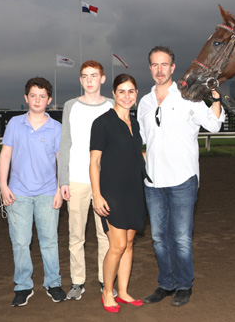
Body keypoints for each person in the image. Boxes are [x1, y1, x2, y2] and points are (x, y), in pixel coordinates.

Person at [138, 46, 225, 307]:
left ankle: (184, 285)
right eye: (155, 65)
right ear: (150, 68)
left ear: (173, 68)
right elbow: (142, 139)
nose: (160, 69)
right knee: (158, 238)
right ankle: (166, 283)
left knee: (181, 238)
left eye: (164, 64)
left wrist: (216, 99)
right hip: (153, 182)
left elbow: (214, 125)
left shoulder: (189, 97)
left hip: (183, 179)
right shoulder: (144, 102)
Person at [0, 77, 66, 306]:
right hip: (18, 193)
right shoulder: (15, 124)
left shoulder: (56, 128)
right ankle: (23, 285)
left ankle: (53, 283)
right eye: (33, 95)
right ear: (26, 98)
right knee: (20, 242)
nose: (38, 100)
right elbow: (5, 156)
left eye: (43, 96)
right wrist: (3, 186)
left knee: (49, 241)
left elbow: (60, 162)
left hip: (48, 192)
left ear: (49, 100)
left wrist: (59, 191)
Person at [90, 74, 147, 313]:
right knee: (117, 245)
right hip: (112, 191)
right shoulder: (102, 122)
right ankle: (107, 292)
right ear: (114, 93)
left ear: (136, 94)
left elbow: (138, 156)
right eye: (121, 91)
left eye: (131, 91)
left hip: (135, 190)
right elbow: (94, 162)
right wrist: (97, 195)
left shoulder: (137, 123)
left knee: (130, 243)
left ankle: (123, 292)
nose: (126, 96)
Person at [58, 60, 114, 300]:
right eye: (84, 76)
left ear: (102, 79)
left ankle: (105, 280)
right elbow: (65, 144)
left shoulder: (112, 105)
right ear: (80, 80)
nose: (89, 79)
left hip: (105, 183)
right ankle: (77, 282)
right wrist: (63, 181)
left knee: (106, 235)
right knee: (76, 236)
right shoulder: (71, 106)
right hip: (77, 181)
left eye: (94, 75)